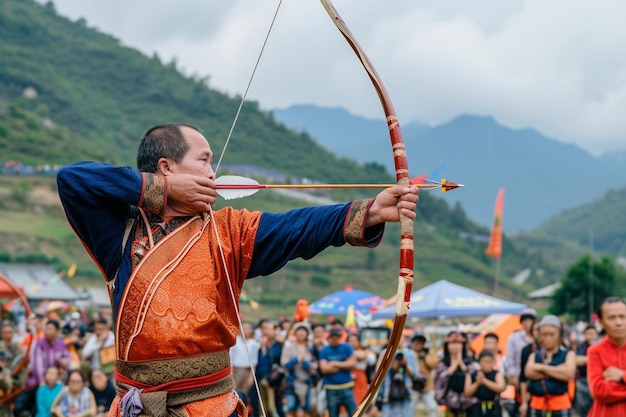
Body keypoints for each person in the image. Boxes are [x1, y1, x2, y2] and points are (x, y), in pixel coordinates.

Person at [56, 123, 419, 417]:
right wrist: (162, 191)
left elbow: (296, 227)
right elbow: (72, 179)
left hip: (208, 407)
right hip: (135, 407)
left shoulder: (230, 231)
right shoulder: (119, 233)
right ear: (167, 168)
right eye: (204, 160)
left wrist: (371, 212)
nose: (213, 173)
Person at [14, 319, 70, 417]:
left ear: (57, 331)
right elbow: (37, 365)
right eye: (46, 329)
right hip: (38, 383)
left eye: (51, 329)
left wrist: (65, 361)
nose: (47, 331)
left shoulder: (61, 344)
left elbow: (67, 358)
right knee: (22, 408)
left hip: (55, 384)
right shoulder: (39, 343)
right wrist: (42, 382)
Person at [524, 315, 576, 417]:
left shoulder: (568, 354)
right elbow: (528, 372)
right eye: (544, 334)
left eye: (552, 335)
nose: (548, 338)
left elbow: (569, 374)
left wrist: (541, 367)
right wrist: (558, 370)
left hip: (560, 404)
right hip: (537, 405)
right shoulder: (534, 355)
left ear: (560, 336)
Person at [587, 297, 626, 416]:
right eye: (611, 318)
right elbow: (598, 391)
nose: (618, 323)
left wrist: (622, 375)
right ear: (601, 322)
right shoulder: (594, 351)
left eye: (622, 316)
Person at [435, 331, 477, 417]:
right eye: (452, 343)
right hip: (448, 405)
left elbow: (476, 379)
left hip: (468, 406)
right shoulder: (442, 364)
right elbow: (438, 384)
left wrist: (462, 366)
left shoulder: (470, 362)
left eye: (458, 343)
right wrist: (451, 369)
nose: (455, 346)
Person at [281, 321, 317, 417]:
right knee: (291, 408)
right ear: (295, 332)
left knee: (307, 408)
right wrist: (296, 360)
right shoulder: (289, 346)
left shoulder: (311, 348)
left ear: (307, 333)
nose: (301, 333)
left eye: (303, 331)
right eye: (299, 331)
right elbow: (284, 363)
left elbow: (315, 365)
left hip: (307, 382)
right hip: (292, 382)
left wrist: (308, 365)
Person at [505, 308, 537, 417]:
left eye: (530, 320)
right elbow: (511, 358)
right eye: (524, 321)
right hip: (520, 376)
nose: (527, 323)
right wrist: (513, 376)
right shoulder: (514, 338)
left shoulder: (540, 339)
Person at [319, 328, 357, 417]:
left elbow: (352, 364)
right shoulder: (324, 350)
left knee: (354, 413)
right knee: (333, 414)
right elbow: (324, 369)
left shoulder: (346, 347)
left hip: (347, 386)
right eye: (333, 337)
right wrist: (344, 364)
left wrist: (333, 363)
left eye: (337, 336)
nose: (335, 338)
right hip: (331, 388)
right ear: (329, 338)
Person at [464, 350, 505, 417]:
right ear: (479, 362)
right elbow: (467, 392)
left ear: (493, 362)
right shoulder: (472, 375)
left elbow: (501, 387)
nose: (487, 364)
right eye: (484, 361)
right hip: (476, 408)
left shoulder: (497, 374)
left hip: (493, 408)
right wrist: (477, 383)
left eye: (489, 362)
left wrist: (484, 381)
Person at [408, 332, 439, 417]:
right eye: (416, 341)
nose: (418, 344)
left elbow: (434, 364)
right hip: (412, 385)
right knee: (409, 408)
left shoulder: (427, 352)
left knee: (432, 407)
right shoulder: (408, 353)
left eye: (420, 341)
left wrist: (425, 355)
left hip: (427, 386)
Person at [573, 325, 598, 417]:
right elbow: (575, 360)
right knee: (584, 410)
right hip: (583, 381)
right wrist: (594, 359)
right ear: (584, 335)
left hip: (598, 380)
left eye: (593, 333)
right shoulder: (580, 347)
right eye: (588, 333)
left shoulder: (601, 346)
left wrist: (585, 360)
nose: (591, 336)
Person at [378, 351, 413, 417]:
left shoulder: (403, 366)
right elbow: (379, 371)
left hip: (402, 396)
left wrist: (404, 364)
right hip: (388, 396)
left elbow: (412, 375)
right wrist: (391, 364)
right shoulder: (386, 352)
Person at [230, 322, 260, 397]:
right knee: (234, 392)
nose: (245, 330)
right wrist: (231, 373)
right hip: (236, 370)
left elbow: (254, 361)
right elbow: (231, 358)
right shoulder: (235, 342)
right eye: (244, 328)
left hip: (247, 370)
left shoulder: (254, 344)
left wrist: (251, 376)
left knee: (244, 393)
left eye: (248, 328)